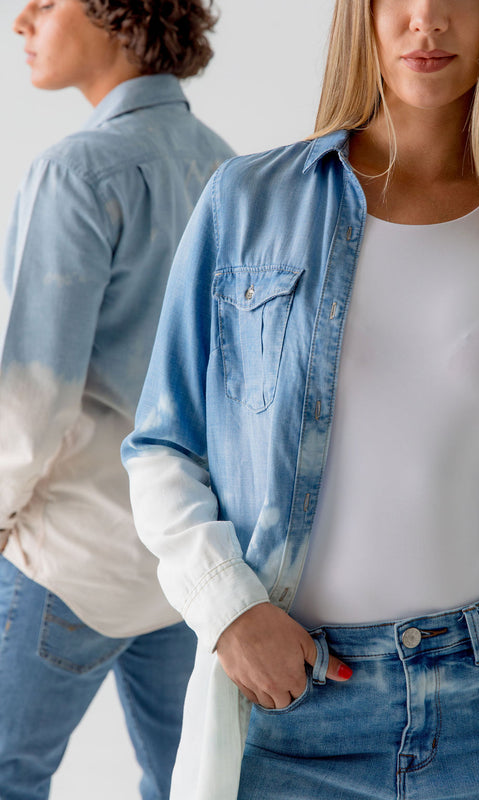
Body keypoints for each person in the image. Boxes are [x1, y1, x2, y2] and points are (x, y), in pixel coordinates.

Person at [122, 0, 479, 798]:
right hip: (291, 705)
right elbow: (163, 445)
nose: (428, 21)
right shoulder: (248, 202)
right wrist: (228, 611)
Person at [0, 1, 233, 797]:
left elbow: (33, 397)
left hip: (70, 556)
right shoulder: (225, 169)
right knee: (187, 779)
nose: (20, 23)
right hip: (179, 562)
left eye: (43, 3)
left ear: (115, 14)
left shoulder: (75, 171)